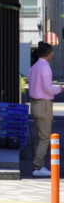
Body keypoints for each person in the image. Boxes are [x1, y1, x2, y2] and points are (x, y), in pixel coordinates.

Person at [29, 40, 61, 178]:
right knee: (44, 138)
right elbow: (48, 88)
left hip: (35, 103)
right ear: (49, 54)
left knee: (38, 137)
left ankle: (37, 164)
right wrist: (61, 88)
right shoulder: (45, 67)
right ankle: (38, 166)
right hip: (44, 104)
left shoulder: (34, 67)